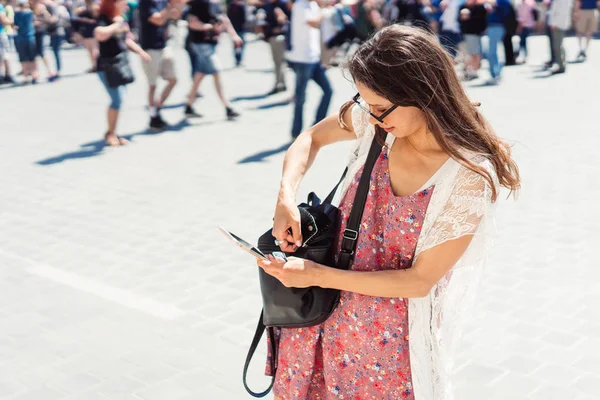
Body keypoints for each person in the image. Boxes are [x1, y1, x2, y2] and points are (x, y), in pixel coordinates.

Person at [257, 24, 520, 400]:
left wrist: (316, 274)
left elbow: (418, 282)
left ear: (422, 92)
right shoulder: (376, 124)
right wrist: (285, 196)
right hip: (316, 323)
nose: (374, 116)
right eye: (368, 105)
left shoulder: (466, 176)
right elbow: (310, 138)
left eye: (381, 107)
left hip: (388, 352)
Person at [94, 0, 151, 146]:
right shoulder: (104, 18)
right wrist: (115, 25)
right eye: (122, 3)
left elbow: (126, 39)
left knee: (119, 99)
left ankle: (112, 132)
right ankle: (110, 134)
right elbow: (99, 34)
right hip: (107, 65)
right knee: (116, 100)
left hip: (120, 64)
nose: (125, 7)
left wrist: (140, 52)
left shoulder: (120, 19)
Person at [184, 0, 242, 119]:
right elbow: (192, 23)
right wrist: (210, 27)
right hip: (200, 44)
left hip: (210, 44)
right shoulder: (197, 3)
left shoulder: (216, 3)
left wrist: (234, 35)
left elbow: (224, 20)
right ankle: (227, 107)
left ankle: (188, 106)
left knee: (199, 75)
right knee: (217, 71)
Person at [287, 0, 333, 139]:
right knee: (300, 98)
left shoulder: (312, 5)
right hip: (302, 59)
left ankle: (317, 126)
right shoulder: (300, 5)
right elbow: (313, 22)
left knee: (328, 91)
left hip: (314, 58)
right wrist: (324, 11)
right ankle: (296, 134)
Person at [138, 0, 180, 131]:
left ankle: (157, 107)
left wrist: (177, 5)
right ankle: (153, 117)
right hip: (150, 48)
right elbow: (158, 20)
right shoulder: (146, 2)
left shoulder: (162, 2)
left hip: (163, 46)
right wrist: (169, 7)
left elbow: (175, 16)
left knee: (173, 80)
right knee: (153, 85)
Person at [262, 0, 290, 94]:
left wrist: (282, 22)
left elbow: (288, 20)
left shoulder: (283, 4)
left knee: (279, 62)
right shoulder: (268, 5)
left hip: (280, 37)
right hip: (272, 37)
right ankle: (281, 83)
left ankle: (279, 84)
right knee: (278, 62)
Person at [459, 0, 487, 80]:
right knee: (466, 53)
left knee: (475, 53)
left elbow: (481, 20)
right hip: (464, 33)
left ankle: (474, 71)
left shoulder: (479, 7)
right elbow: (460, 19)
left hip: (473, 33)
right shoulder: (463, 6)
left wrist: (469, 15)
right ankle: (468, 70)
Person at [13, 0, 38, 83]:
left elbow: (14, 25)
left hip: (21, 38)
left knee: (23, 58)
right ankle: (34, 74)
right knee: (32, 57)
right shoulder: (29, 13)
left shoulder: (16, 14)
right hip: (30, 37)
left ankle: (26, 76)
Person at [547, 0, 572, 73]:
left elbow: (553, 11)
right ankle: (562, 63)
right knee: (560, 44)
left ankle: (561, 65)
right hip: (563, 23)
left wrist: (552, 23)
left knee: (557, 46)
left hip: (556, 24)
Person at [74, 0, 98, 72]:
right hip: (86, 30)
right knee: (89, 49)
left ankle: (97, 65)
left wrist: (85, 20)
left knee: (93, 49)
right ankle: (94, 65)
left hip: (92, 30)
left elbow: (95, 20)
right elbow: (75, 13)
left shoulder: (94, 9)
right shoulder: (84, 9)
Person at [226, 0, 246, 67]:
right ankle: (238, 59)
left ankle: (238, 59)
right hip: (237, 29)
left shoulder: (237, 6)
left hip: (238, 28)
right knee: (238, 45)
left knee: (238, 45)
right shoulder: (234, 6)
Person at [0, 0, 15, 83]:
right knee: (6, 54)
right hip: (1, 33)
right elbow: (4, 21)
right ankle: (8, 75)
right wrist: (11, 20)